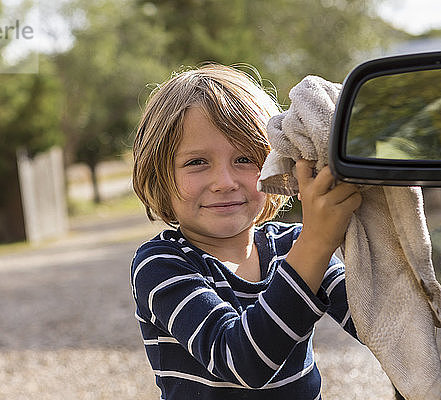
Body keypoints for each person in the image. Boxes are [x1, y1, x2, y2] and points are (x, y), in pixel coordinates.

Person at [131, 63, 362, 399]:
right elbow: (242, 361)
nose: (224, 183)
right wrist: (317, 241)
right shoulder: (160, 264)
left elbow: (375, 321)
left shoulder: (291, 245)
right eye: (197, 162)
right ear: (160, 175)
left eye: (243, 159)